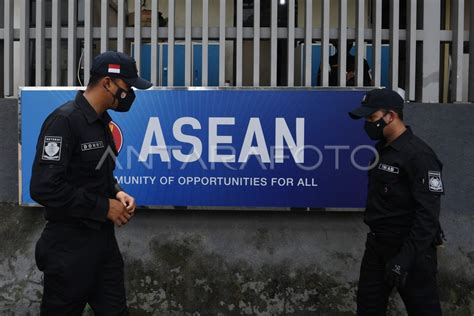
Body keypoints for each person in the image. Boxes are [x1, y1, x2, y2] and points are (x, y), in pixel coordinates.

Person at [30, 51, 152, 315]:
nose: (130, 93)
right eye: (127, 87)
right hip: (68, 248)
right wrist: (103, 207)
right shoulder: (64, 121)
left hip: (103, 247)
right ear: (107, 83)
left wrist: (117, 193)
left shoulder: (102, 123)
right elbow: (44, 187)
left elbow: (95, 175)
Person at [348, 88, 445, 316]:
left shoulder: (419, 155)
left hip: (411, 251)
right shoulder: (382, 150)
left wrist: (405, 259)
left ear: (391, 116)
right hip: (377, 247)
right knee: (368, 308)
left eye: (372, 118)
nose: (368, 124)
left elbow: (428, 215)